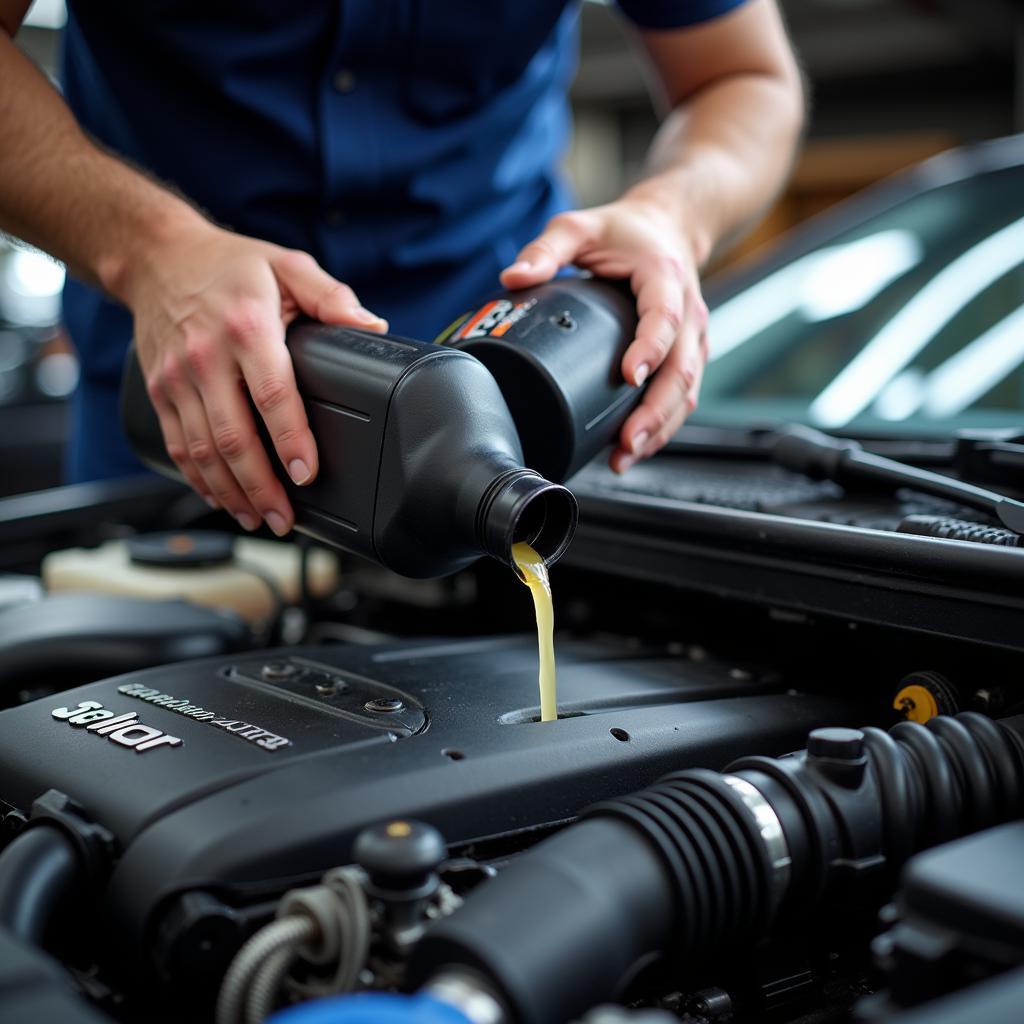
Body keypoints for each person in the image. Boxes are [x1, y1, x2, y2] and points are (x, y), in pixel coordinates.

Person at [0, 0, 803, 537]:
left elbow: (744, 77)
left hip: (510, 434)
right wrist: (152, 249)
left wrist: (674, 214)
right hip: (186, 419)